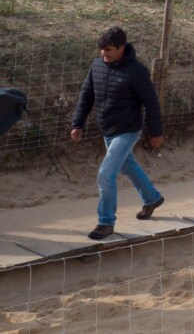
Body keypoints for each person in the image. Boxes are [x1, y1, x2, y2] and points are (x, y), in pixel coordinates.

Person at [69, 27, 165, 240]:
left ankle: (106, 222)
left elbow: (151, 103)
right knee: (126, 165)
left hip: (128, 130)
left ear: (121, 48)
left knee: (106, 174)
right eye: (102, 49)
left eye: (109, 50)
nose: (104, 54)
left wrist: (155, 132)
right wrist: (77, 123)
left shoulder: (137, 71)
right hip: (107, 128)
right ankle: (152, 198)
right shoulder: (97, 66)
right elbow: (86, 95)